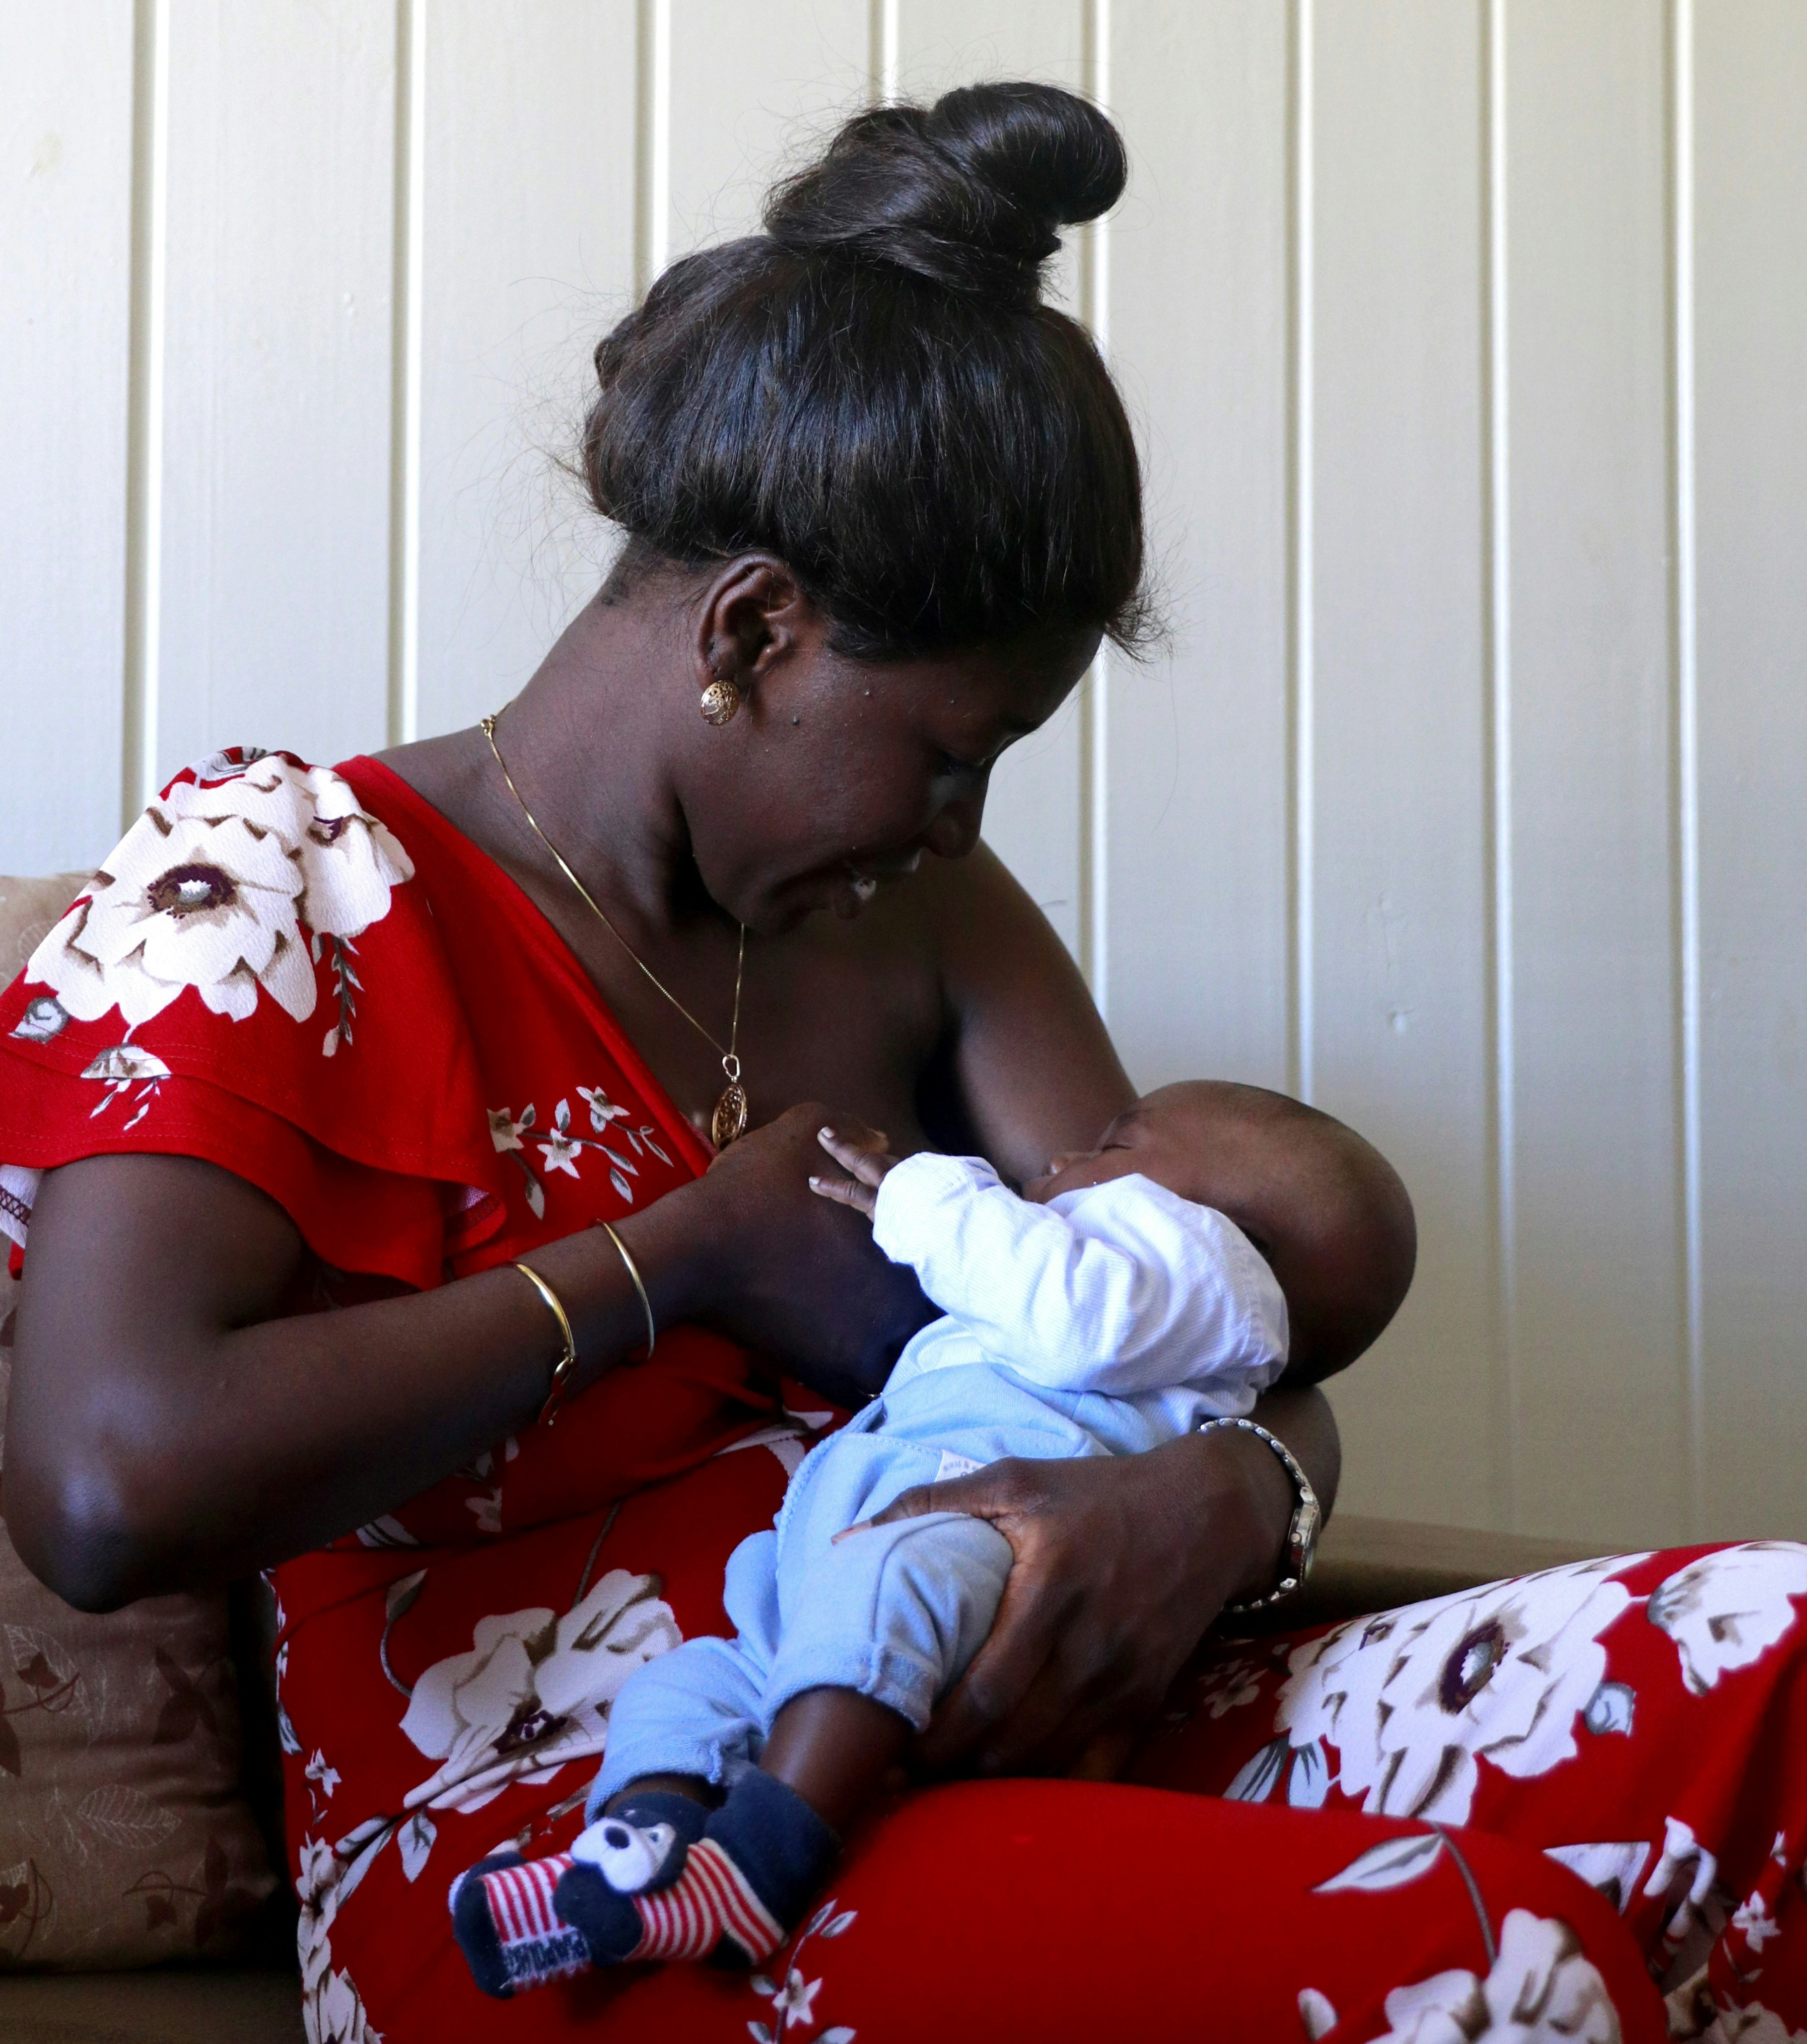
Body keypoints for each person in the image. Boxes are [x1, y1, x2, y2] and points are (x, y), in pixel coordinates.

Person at [0, 80, 1799, 2044]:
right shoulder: (279, 883)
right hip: (584, 1839)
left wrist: (1231, 1497)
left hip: (1002, 1714)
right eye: (950, 752)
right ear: (757, 631)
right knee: (1480, 1970)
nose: (960, 821)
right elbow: (102, 1481)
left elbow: (1215, 1329)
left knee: (1778, 1671)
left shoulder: (927, 924)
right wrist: (679, 1256)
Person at [450, 1082, 1370, 1992]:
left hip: (979, 1542)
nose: (1059, 1162)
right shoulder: (1153, 1261)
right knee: (685, 1685)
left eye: (1117, 1146)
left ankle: (763, 1857)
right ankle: (645, 1855)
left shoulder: (1209, 1271)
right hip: (852, 1562)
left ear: (1236, 1227)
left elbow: (1082, 1320)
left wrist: (921, 1192)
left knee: (884, 1584)